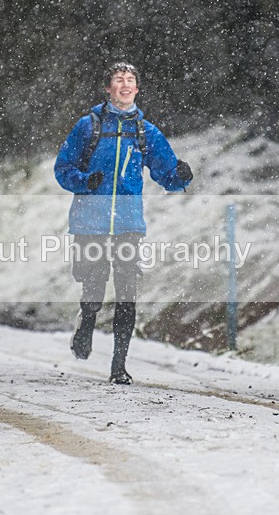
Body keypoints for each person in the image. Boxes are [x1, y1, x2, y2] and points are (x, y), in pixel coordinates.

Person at [54, 62, 193, 385]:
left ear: (137, 89)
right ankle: (86, 323)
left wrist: (180, 176)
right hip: (91, 221)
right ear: (108, 88)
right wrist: (86, 181)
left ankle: (119, 366)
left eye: (131, 80)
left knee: (128, 292)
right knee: (94, 285)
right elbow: (63, 169)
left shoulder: (146, 131)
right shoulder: (88, 127)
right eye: (119, 80)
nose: (125, 85)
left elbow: (165, 172)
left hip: (129, 223)